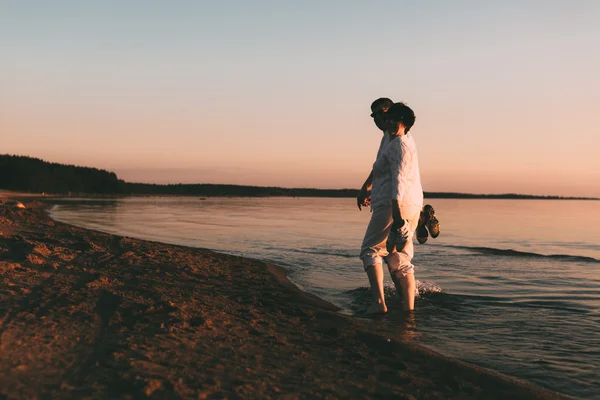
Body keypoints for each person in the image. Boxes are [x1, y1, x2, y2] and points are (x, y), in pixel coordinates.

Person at [358, 102, 423, 313]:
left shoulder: (399, 142)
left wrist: (397, 214)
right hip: (407, 202)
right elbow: (380, 165)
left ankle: (379, 304)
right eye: (374, 114)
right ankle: (408, 309)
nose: (379, 118)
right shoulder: (390, 138)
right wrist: (367, 187)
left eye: (382, 114)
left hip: (393, 203)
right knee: (398, 256)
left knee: (372, 250)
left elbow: (399, 178)